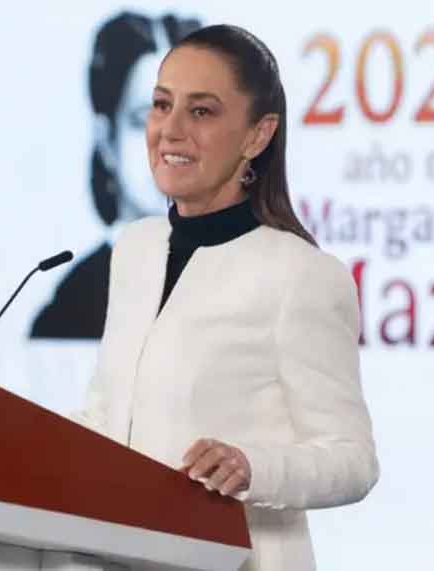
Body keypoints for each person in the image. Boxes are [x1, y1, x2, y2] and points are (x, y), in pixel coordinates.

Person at [74, 24, 379, 570]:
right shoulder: (136, 249)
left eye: (201, 111)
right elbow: (107, 413)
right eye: (161, 105)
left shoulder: (301, 276)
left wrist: (252, 467)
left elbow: (353, 461)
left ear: (258, 135)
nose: (170, 130)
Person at [31, 11, 201, 339]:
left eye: (197, 116)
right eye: (146, 119)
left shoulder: (240, 281)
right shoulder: (72, 308)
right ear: (108, 139)